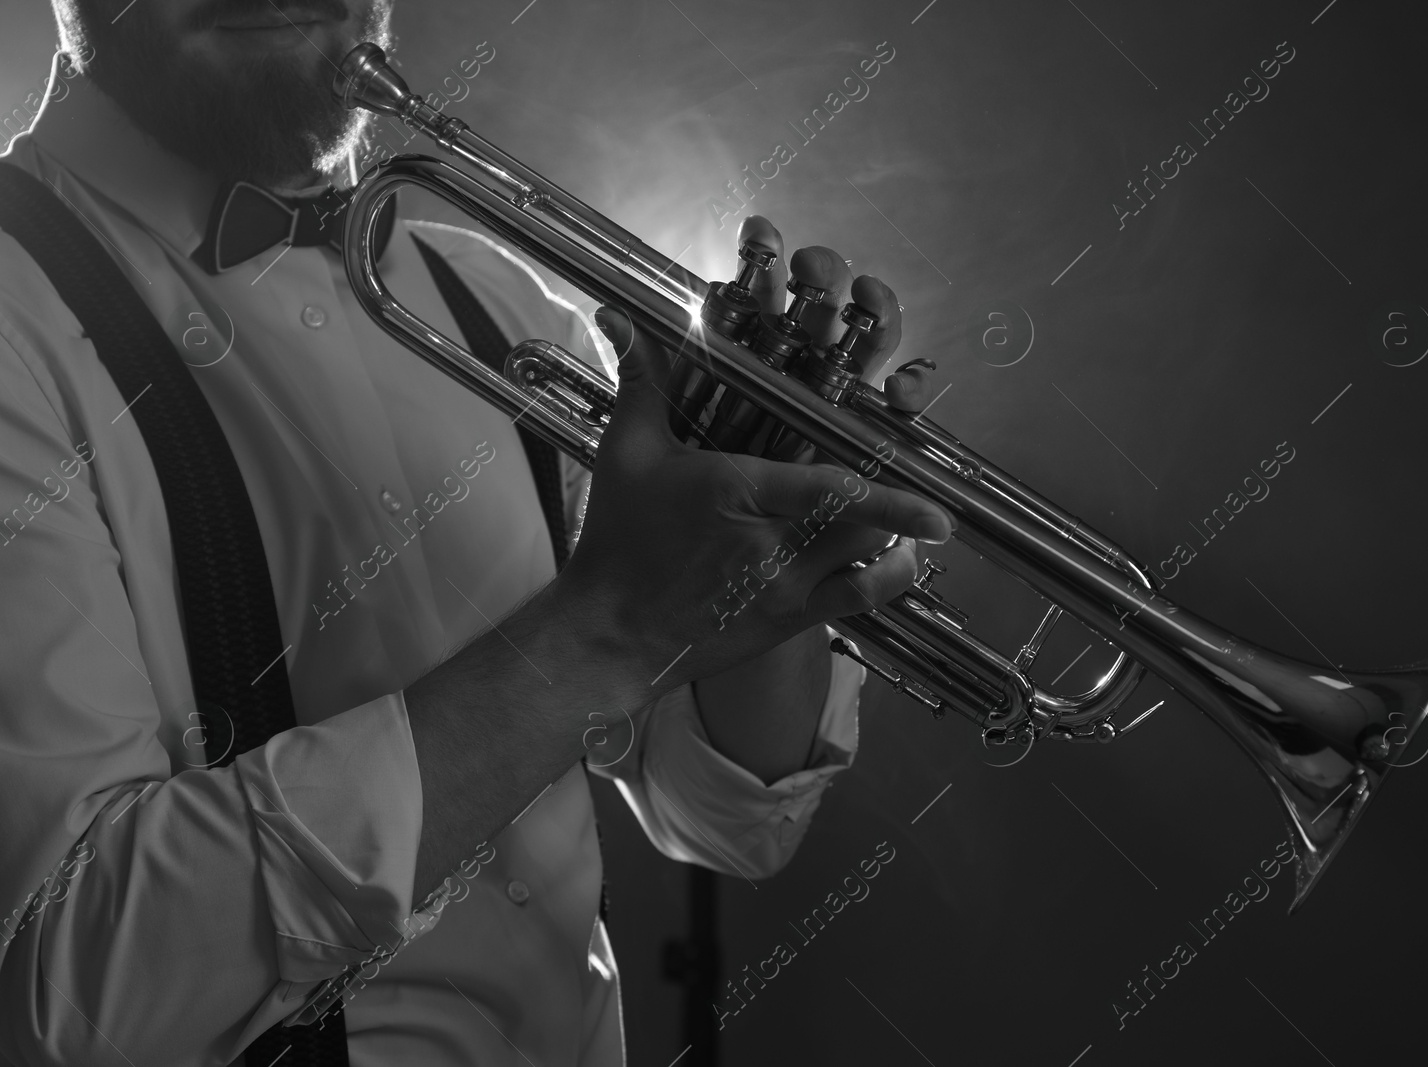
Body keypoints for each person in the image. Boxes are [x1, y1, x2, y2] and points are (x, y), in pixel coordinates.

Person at [0, 0, 949, 1064]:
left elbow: (725, 815)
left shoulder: (495, 296)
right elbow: (64, 997)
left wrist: (775, 521)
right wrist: (600, 637)